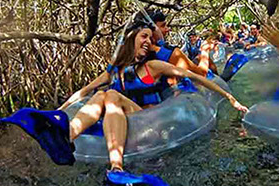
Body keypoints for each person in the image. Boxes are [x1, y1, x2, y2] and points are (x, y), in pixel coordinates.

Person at [59, 18, 248, 172]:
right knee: (102, 95)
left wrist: (229, 97)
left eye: (150, 38)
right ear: (131, 38)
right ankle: (66, 138)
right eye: (144, 36)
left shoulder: (153, 67)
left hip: (149, 128)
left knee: (111, 95)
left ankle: (116, 165)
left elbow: (194, 76)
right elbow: (84, 91)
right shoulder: (115, 71)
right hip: (124, 124)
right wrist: (61, 109)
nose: (148, 41)